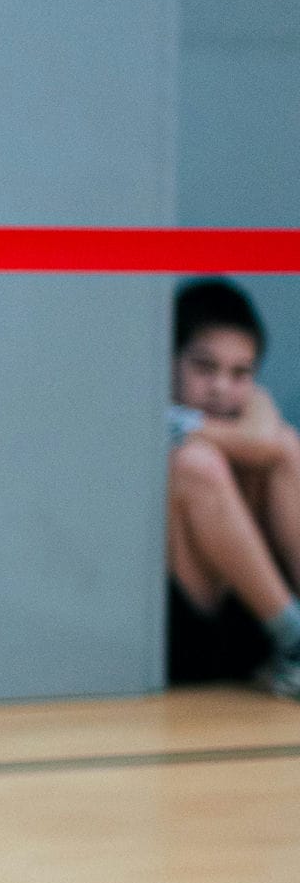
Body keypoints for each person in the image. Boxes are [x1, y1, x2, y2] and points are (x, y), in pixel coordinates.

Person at [166, 278, 300, 697]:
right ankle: (294, 638)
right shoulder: (145, 408)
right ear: (170, 361)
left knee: (287, 448)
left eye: (240, 372)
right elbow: (256, 440)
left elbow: (268, 443)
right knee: (195, 463)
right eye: (204, 368)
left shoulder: (253, 408)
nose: (222, 387)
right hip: (189, 632)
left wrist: (193, 426)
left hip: (249, 626)